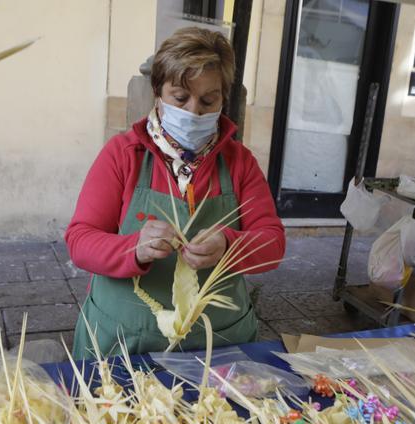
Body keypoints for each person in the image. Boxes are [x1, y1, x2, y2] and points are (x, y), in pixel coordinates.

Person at [66, 27, 285, 360]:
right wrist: (134, 248)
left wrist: (229, 244)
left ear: (223, 98)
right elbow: (80, 241)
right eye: (180, 98)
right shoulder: (123, 154)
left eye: (208, 100)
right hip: (124, 344)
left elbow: (273, 244)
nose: (195, 111)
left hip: (218, 347)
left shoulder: (240, 163)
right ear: (158, 92)